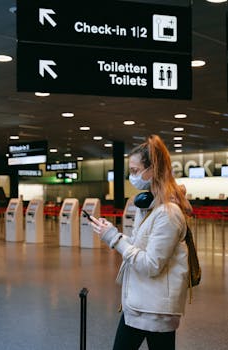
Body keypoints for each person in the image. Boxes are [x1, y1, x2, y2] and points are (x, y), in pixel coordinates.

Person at [89, 135, 191, 350]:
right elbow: (138, 246)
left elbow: (151, 264)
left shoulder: (168, 214)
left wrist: (115, 239)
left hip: (154, 310)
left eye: (135, 171)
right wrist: (111, 234)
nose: (132, 176)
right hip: (140, 304)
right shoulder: (149, 207)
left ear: (152, 169)